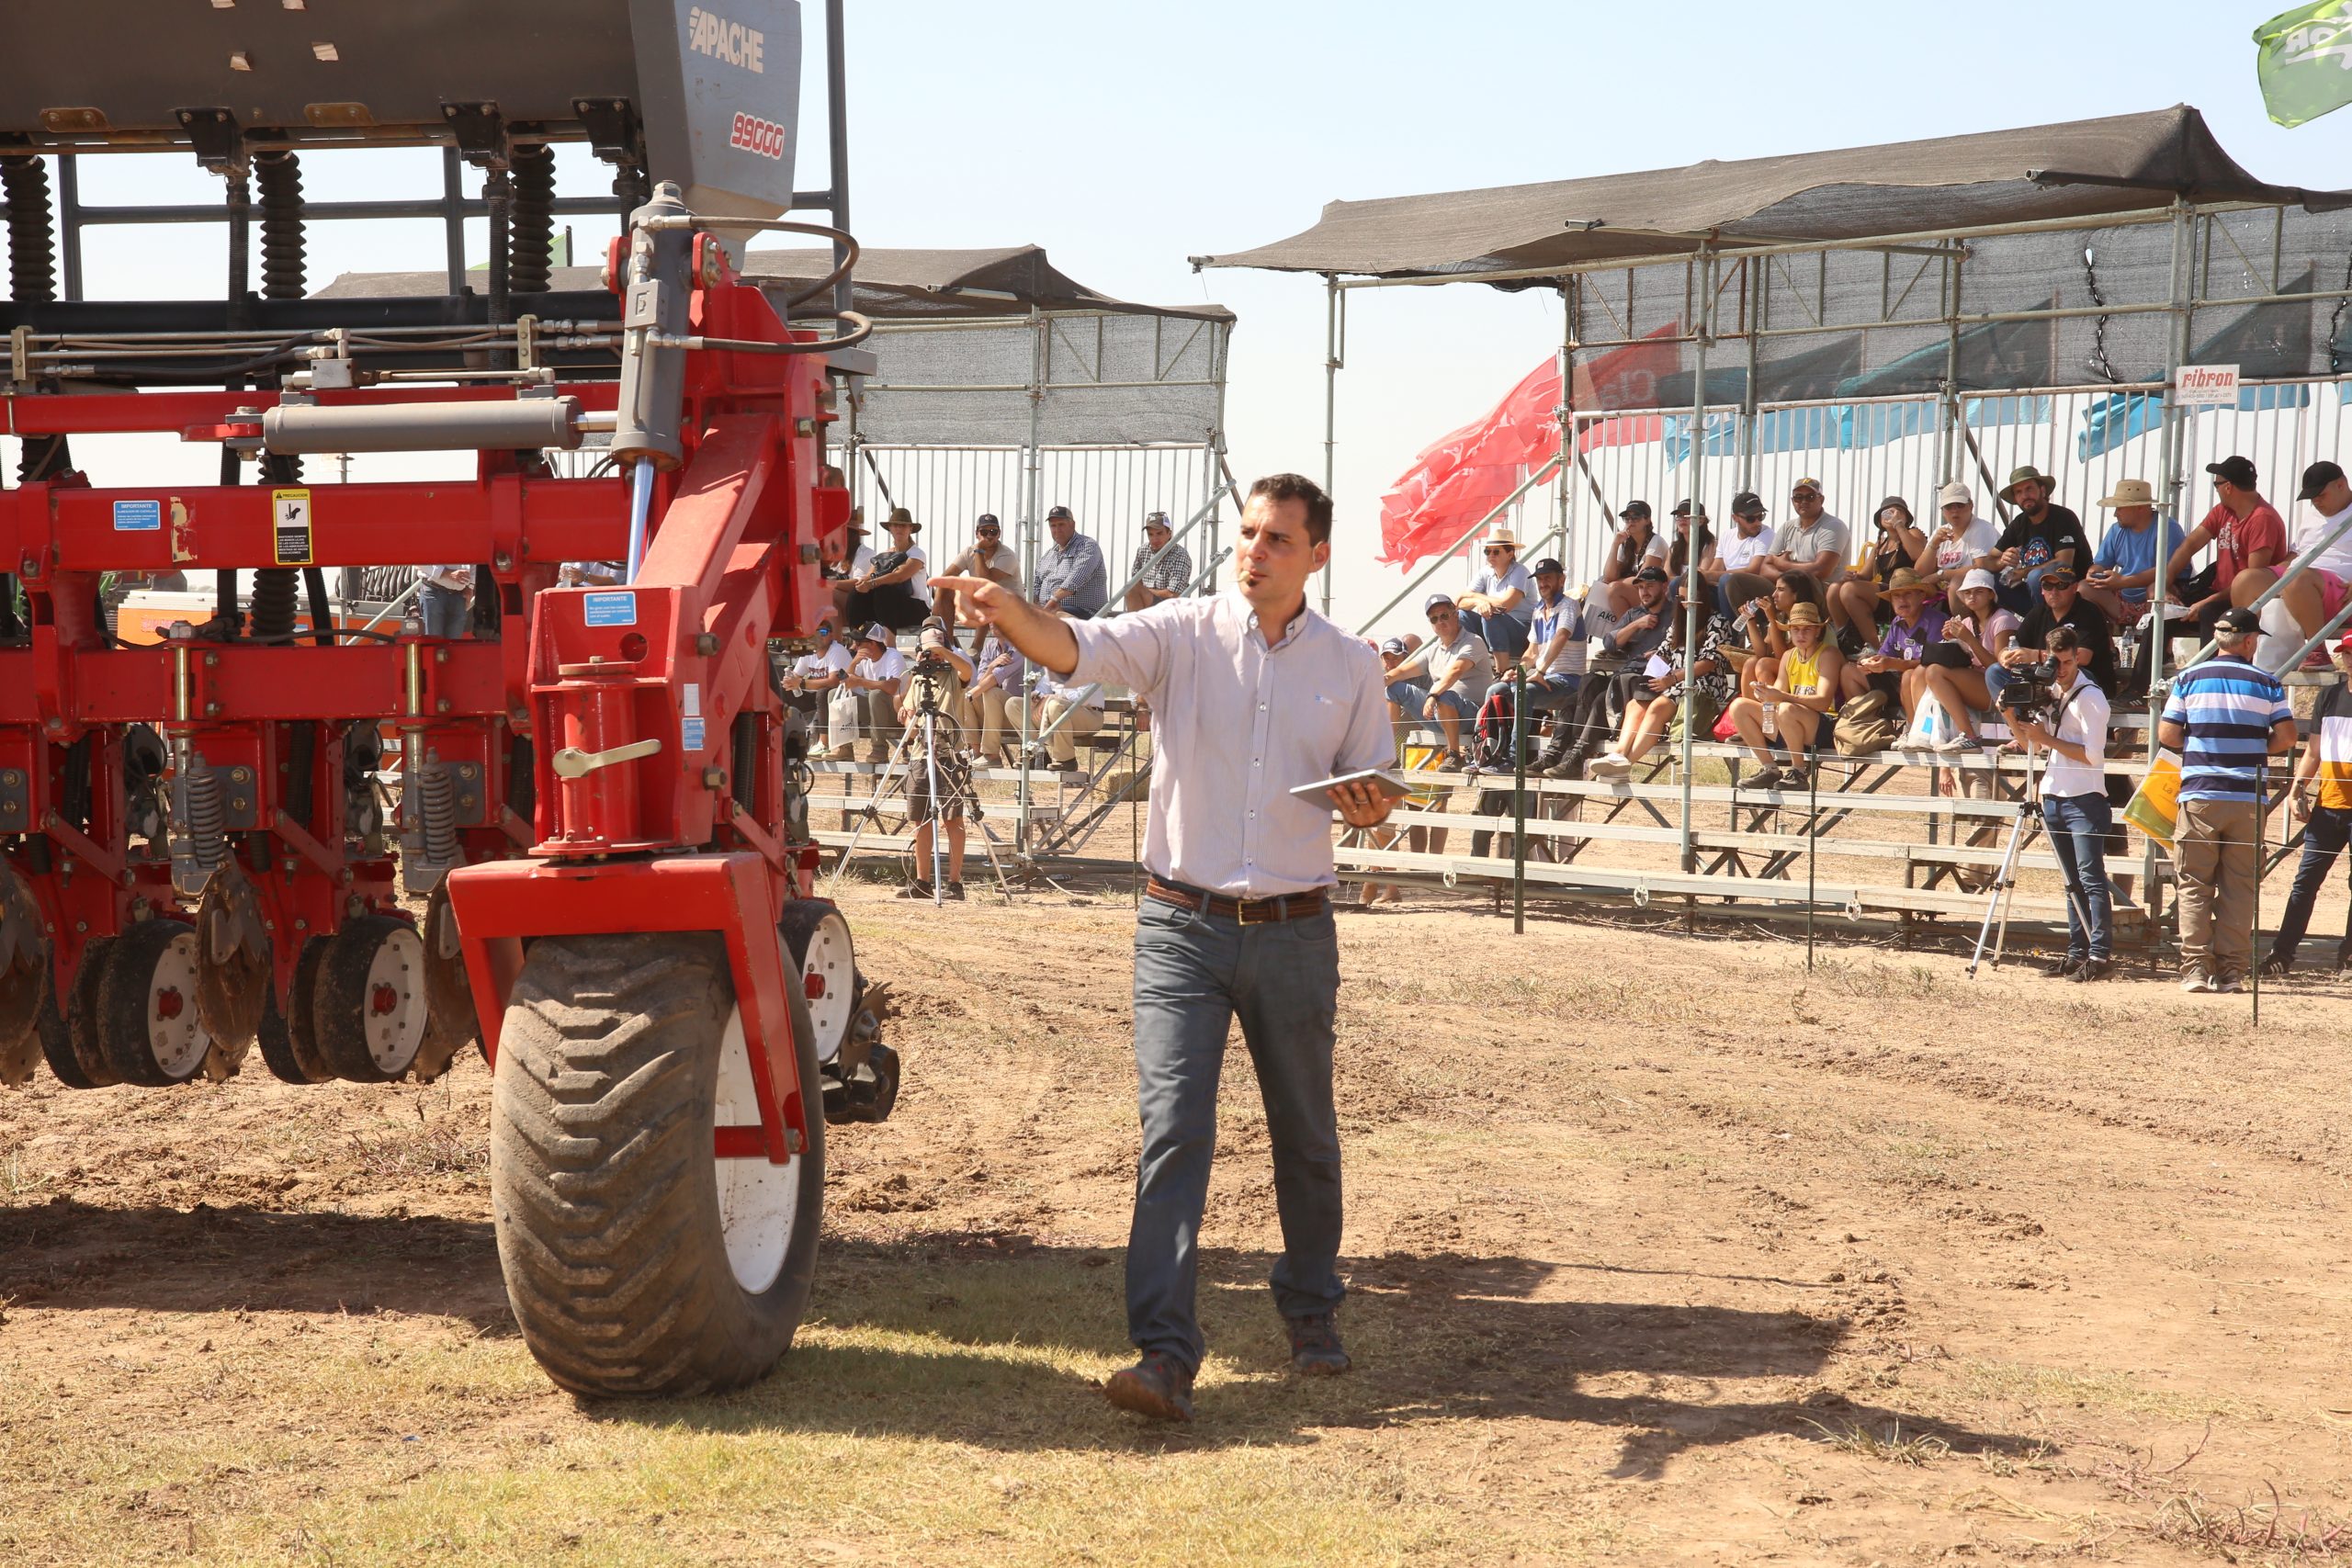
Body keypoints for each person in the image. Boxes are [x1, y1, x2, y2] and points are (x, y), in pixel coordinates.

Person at [930, 471, 1397, 1425]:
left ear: (1316, 555)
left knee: (1305, 1135)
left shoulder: (1352, 665)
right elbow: (1076, 648)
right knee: (1172, 1134)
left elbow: (1377, 794)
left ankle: (1311, 1314)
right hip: (1177, 928)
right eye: (1246, 534)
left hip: (1296, 930)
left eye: (1275, 539)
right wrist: (1012, 612)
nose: (1252, 553)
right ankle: (1164, 1354)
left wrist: (1374, 807)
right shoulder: (1179, 631)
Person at [2157, 605, 2298, 994]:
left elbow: (2168, 734)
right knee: (2240, 887)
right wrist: (2254, 747)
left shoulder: (2188, 678)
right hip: (2246, 797)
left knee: (2193, 884)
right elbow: (2286, 738)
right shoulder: (2267, 683)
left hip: (2200, 793)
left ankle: (2195, 970)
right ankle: (2232, 972)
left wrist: (2205, 747)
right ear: (2250, 641)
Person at [2002, 626, 2115, 982]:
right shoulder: (2049, 690)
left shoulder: (2091, 698)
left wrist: (2046, 737)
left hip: (2084, 797)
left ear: (2077, 657)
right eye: (2056, 662)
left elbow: (2094, 757)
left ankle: (2099, 955)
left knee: (2090, 878)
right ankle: (2076, 952)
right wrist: (2009, 714)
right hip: (2053, 794)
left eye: (2067, 662)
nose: (2061, 670)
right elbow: (2028, 742)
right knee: (2071, 881)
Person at [2263, 629, 2352, 976]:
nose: (2349, 659)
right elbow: (2313, 751)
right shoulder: (2328, 697)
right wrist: (2298, 789)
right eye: (2346, 652)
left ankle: (2348, 955)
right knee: (2305, 881)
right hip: (2328, 806)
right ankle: (2282, 953)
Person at [1544, 565, 1675, 778]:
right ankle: (1555, 754)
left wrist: (1662, 652)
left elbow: (1680, 648)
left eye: (1650, 586)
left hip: (1647, 683)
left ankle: (1577, 759)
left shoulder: (1675, 614)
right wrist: (1636, 625)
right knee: (1575, 697)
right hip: (1624, 678)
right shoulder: (1635, 613)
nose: (1644, 592)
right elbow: (1610, 642)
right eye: (1640, 587)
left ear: (1665, 587)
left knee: (1600, 701)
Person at [2230, 460, 2352, 669]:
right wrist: (2282, 570)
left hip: (2340, 585)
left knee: (2296, 578)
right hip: (2302, 575)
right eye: (2312, 498)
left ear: (2341, 485)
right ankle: (2244, 655)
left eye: (2321, 496)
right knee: (2246, 580)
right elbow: (2296, 552)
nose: (2316, 502)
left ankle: (2317, 652)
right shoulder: (2313, 515)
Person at [1724, 600, 1842, 790]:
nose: (1800, 634)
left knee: (1786, 708)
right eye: (1795, 629)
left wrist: (1780, 696)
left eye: (1807, 629)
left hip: (1823, 725)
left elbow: (1822, 702)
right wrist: (1765, 695)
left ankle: (1799, 772)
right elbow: (1777, 695)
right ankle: (1769, 769)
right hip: (1792, 721)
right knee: (1740, 706)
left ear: (1818, 631)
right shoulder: (1788, 656)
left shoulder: (1829, 654)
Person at [897, 623, 978, 900]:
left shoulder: (955, 672)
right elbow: (907, 711)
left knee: (952, 819)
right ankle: (922, 881)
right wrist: (909, 719)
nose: (932, 657)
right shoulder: (918, 678)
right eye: (928, 650)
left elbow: (968, 672)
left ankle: (954, 883)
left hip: (950, 754)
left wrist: (942, 650)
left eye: (937, 649)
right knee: (920, 820)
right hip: (921, 754)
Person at [2167, 456, 2288, 639]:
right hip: (2219, 592)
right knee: (2163, 614)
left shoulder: (2263, 519)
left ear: (2228, 487)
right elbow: (2190, 545)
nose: (2216, 490)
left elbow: (2250, 584)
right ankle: (2147, 668)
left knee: (2209, 612)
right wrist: (2164, 583)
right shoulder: (2222, 510)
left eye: (2216, 485)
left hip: (2245, 600)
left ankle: (2213, 667)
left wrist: (2206, 601)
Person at [1917, 570, 2018, 750]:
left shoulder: (2003, 619)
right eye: (1968, 592)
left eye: (1979, 591)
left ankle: (1969, 736)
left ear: (1990, 594)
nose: (1972, 596)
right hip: (1978, 683)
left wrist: (1968, 639)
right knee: (1921, 671)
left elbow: (1999, 668)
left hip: (2000, 689)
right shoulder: (1968, 622)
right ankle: (1919, 734)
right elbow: (1965, 661)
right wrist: (1952, 641)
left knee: (1934, 672)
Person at [1385, 594, 1491, 767]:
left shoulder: (1473, 641)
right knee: (1394, 687)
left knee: (1445, 696)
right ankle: (1387, 753)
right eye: (1434, 619)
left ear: (1455, 615)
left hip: (1471, 717)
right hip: (1437, 711)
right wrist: (1381, 680)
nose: (1440, 622)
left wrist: (1433, 695)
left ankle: (1454, 755)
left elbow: (1455, 672)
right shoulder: (1433, 649)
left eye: (1444, 616)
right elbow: (1403, 671)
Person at [1994, 565, 2116, 705]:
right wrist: (2005, 656)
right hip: (2045, 678)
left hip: (2087, 679)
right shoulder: (2038, 612)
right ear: (2042, 590)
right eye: (2047, 586)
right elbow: (2014, 645)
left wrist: (2035, 655)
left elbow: (2082, 657)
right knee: (1995, 672)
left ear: (2074, 588)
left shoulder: (2088, 612)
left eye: (2061, 585)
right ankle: (2018, 722)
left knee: (2070, 670)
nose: (2054, 591)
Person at [1830, 496, 1927, 655]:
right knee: (1835, 589)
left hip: (1903, 590)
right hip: (1883, 592)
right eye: (1887, 512)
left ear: (1906, 518)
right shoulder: (1880, 544)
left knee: (1849, 590)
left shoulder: (1913, 533)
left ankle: (1877, 648)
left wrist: (1899, 526)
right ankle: (1846, 640)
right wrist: (1850, 577)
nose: (1892, 514)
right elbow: (1864, 576)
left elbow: (1918, 556)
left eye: (1899, 511)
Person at [1990, 465, 2090, 614]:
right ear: (2015, 498)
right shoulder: (2019, 523)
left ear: (2042, 491)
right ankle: (2035, 621)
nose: (2025, 496)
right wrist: (2002, 560)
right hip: (2040, 595)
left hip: (2069, 589)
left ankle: (2046, 623)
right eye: (2019, 492)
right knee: (1995, 580)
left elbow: (2064, 562)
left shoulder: (2063, 517)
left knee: (2035, 576)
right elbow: (1988, 559)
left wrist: (2022, 572)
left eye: (2029, 488)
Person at [1842, 567, 1944, 706]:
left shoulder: (1936, 621)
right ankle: (1865, 724)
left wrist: (1893, 663)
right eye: (1896, 595)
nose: (1902, 600)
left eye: (1908, 594)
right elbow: (1884, 655)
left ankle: (1913, 727)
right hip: (1898, 683)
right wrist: (1869, 663)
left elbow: (1934, 664)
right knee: (1849, 671)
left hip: (1923, 687)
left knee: (1910, 676)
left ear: (1921, 596)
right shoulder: (1897, 623)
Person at [1913, 480, 2001, 610]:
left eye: (1960, 505)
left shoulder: (1981, 528)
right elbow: (1920, 572)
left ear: (1970, 505)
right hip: (1945, 593)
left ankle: (1966, 627)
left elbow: (1982, 566)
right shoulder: (1941, 531)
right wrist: (1934, 544)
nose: (1955, 512)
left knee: (1957, 584)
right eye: (1949, 507)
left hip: (1979, 590)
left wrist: (1941, 575)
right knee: (1908, 586)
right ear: (1943, 511)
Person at [840, 506, 931, 630]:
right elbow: (868, 576)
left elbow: (899, 576)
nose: (899, 529)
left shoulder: (917, 554)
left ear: (910, 529)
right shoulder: (883, 555)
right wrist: (862, 584)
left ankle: (889, 643)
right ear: (890, 528)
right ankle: (857, 638)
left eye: (903, 526)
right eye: (895, 525)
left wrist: (872, 583)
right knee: (856, 593)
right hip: (891, 607)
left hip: (916, 608)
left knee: (884, 591)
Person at [830, 623, 908, 762]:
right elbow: (843, 682)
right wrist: (854, 663)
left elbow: (891, 687)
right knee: (834, 694)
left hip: (898, 714)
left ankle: (879, 750)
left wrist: (860, 682)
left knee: (876, 694)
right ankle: (845, 749)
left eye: (859, 642)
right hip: (876, 713)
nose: (856, 646)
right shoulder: (863, 659)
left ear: (872, 643)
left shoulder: (893, 656)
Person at [1011, 662, 1107, 773]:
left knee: (1055, 705)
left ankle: (1066, 760)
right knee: (1013, 704)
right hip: (1058, 713)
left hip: (1090, 715)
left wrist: (1053, 696)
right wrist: (1037, 696)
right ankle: (1037, 752)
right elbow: (1043, 688)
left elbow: (1081, 698)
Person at [1456, 527, 1533, 664]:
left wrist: (1475, 595)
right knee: (1462, 615)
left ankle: (1502, 671)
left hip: (1523, 634)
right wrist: (1477, 603)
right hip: (1495, 631)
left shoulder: (1520, 572)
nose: (1491, 555)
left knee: (1491, 615)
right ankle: (1469, 661)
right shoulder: (1485, 572)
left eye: (1496, 551)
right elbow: (1460, 602)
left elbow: (1505, 606)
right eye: (1488, 551)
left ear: (1510, 554)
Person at [933, 513, 1021, 628]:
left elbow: (985, 580)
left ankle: (976, 646)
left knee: (983, 595)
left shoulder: (1007, 555)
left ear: (999, 534)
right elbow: (945, 578)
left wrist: (979, 551)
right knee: (945, 589)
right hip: (988, 606)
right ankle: (947, 641)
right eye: (984, 532)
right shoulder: (969, 552)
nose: (989, 536)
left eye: (993, 531)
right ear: (977, 534)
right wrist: (940, 601)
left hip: (1010, 608)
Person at [964, 624, 1028, 766]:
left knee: (988, 692)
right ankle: (976, 753)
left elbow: (996, 678)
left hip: (1021, 714)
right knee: (969, 692)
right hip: (998, 712)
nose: (992, 623)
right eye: (990, 619)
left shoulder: (1022, 644)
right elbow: (982, 681)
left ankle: (992, 755)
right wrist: (992, 666)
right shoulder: (990, 646)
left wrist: (970, 695)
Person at [1033, 503, 1110, 618]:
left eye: (1061, 524)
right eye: (1053, 526)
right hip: (1050, 610)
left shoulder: (1087, 546)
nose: (1057, 530)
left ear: (1072, 525)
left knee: (1054, 618)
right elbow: (1036, 585)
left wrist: (1052, 601)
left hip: (1085, 612)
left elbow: (1075, 580)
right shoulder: (1048, 555)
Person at [779, 621, 852, 725]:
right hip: (821, 698)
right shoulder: (810, 652)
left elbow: (835, 682)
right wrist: (789, 681)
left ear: (831, 635)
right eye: (814, 632)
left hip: (845, 697)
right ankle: (789, 728)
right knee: (785, 690)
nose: (818, 636)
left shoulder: (837, 651)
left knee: (823, 693)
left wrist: (801, 683)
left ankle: (822, 737)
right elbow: (795, 677)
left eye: (823, 632)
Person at [1711, 491, 1774, 610]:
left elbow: (1753, 570)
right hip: (1729, 590)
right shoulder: (1726, 536)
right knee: (1681, 584)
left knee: (1727, 580)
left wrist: (1709, 575)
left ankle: (1731, 626)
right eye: (1751, 519)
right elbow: (1715, 569)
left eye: (1760, 517)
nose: (1757, 523)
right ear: (1735, 518)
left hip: (1757, 593)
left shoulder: (1767, 534)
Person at [1125, 510, 1194, 614]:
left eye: (1159, 533)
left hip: (1172, 606)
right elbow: (1136, 583)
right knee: (1131, 589)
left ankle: (1138, 627)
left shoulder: (1180, 555)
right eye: (1150, 534)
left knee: (1132, 590)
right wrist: (1142, 592)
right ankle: (1139, 627)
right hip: (1149, 602)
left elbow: (1173, 594)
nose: (1155, 538)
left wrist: (1145, 592)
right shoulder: (1143, 550)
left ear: (1169, 534)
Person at [418, 563, 472, 639]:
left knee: (454, 645)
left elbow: (475, 563)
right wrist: (447, 573)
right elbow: (419, 562)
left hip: (459, 595)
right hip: (434, 592)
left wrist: (470, 587)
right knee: (434, 642)